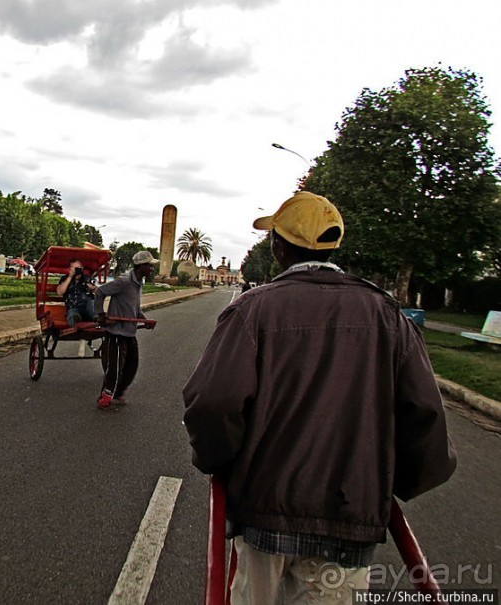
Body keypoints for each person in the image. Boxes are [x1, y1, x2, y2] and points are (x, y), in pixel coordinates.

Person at [183, 191, 456, 604]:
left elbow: (213, 402)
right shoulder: (388, 315)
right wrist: (380, 484)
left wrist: (218, 461)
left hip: (264, 510)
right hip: (349, 518)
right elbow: (425, 415)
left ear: (278, 247)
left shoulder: (254, 310)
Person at [93, 250, 158, 411]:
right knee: (114, 370)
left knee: (131, 366)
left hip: (129, 332)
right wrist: (100, 314)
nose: (152, 269)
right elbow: (100, 292)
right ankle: (104, 400)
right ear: (141, 266)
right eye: (149, 266)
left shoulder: (138, 283)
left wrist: (145, 320)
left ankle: (118, 393)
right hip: (116, 333)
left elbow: (134, 309)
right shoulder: (124, 282)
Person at [57, 258, 97, 326]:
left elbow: (99, 291)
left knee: (92, 303)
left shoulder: (88, 278)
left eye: (78, 268)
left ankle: (97, 318)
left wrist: (93, 289)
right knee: (72, 313)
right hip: (73, 307)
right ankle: (76, 322)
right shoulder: (65, 278)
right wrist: (70, 276)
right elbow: (59, 292)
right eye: (74, 268)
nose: (77, 270)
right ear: (70, 269)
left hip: (88, 307)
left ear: (82, 268)